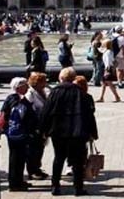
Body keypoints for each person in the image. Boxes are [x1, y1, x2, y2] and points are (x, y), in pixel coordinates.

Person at [40, 67, 99, 196]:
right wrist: (93, 133)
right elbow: (89, 115)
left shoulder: (55, 92)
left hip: (58, 131)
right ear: (73, 78)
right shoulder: (80, 92)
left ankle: (55, 186)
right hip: (77, 132)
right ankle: (78, 188)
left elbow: (46, 112)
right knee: (78, 161)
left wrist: (43, 129)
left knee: (58, 158)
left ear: (61, 78)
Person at [1, 77, 38, 191]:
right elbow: (26, 115)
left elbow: (4, 113)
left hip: (11, 132)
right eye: (25, 85)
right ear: (19, 87)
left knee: (15, 157)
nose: (27, 86)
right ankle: (15, 183)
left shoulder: (9, 98)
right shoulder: (19, 100)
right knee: (18, 158)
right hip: (20, 132)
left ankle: (17, 180)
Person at [25, 72, 50, 180]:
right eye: (43, 81)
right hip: (34, 126)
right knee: (33, 149)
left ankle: (37, 168)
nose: (46, 83)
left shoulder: (42, 92)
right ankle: (32, 170)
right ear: (37, 82)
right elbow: (28, 110)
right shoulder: (30, 93)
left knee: (40, 147)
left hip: (43, 124)